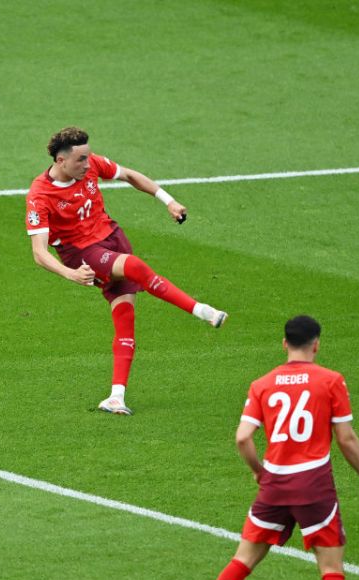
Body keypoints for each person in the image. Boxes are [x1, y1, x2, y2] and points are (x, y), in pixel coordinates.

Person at [181, 315, 359, 580]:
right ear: (317, 344)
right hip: (314, 488)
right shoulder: (331, 380)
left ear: (284, 344)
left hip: (274, 486)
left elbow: (242, 438)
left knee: (242, 561)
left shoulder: (262, 384)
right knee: (331, 569)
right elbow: (345, 439)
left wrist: (258, 471)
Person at [25, 127, 228, 415]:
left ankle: (116, 397)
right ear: (60, 160)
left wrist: (168, 201)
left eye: (88, 157)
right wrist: (70, 274)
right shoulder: (40, 195)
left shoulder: (92, 164)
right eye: (81, 159)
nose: (88, 163)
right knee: (134, 266)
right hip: (83, 254)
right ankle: (200, 310)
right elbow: (39, 252)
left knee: (125, 316)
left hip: (111, 237)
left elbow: (130, 176)